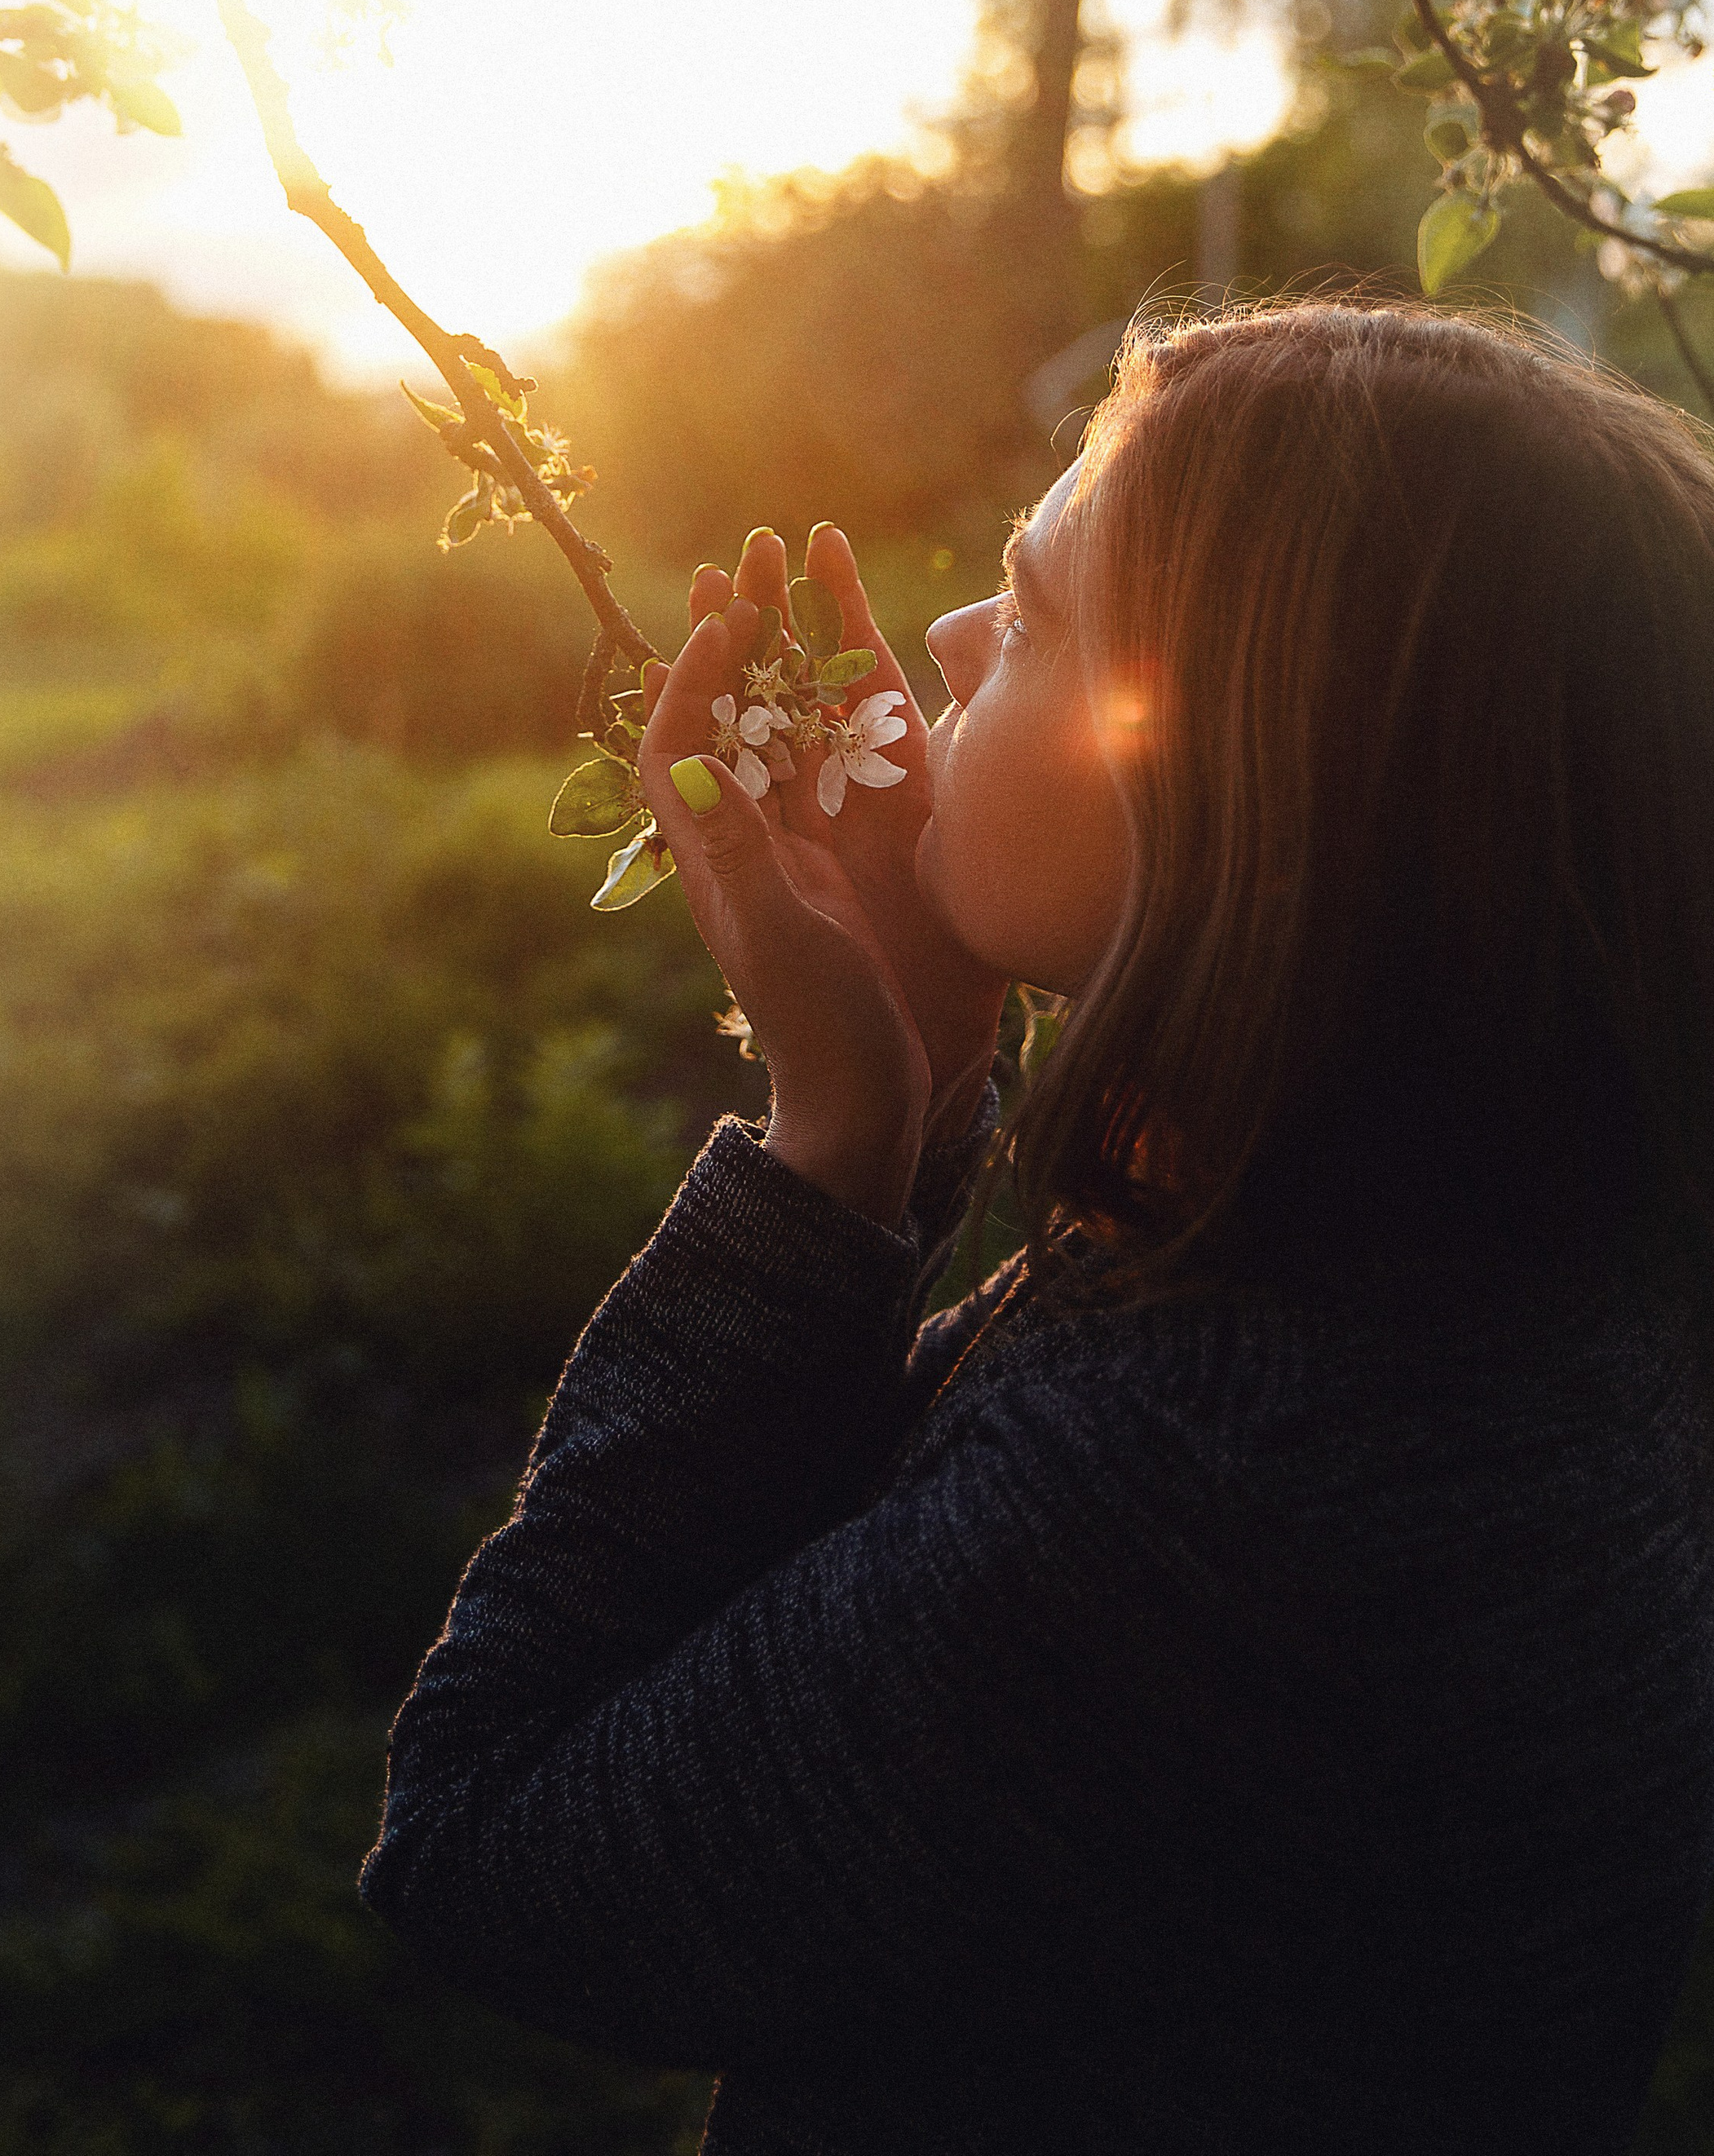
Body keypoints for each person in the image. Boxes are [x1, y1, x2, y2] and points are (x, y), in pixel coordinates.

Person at [359, 301, 1714, 2155]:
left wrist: (827, 1150)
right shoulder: (1476, 1248)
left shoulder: (1205, 1481)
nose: (945, 638)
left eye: (1038, 606)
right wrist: (913, 1087)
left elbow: (494, 1847)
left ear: (1232, 787)